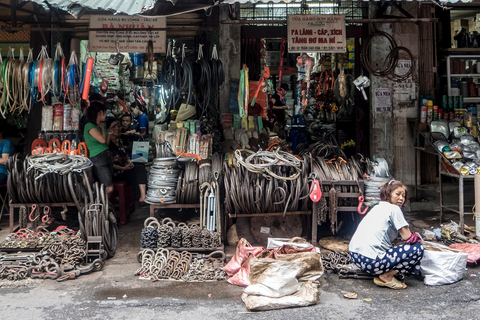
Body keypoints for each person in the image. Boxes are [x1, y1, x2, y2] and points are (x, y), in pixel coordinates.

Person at [348, 180, 424, 290]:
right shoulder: (394, 209)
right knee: (417, 248)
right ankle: (387, 276)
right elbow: (408, 237)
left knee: (397, 247)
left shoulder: (377, 207)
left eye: (403, 196)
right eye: (397, 194)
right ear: (388, 194)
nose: (401, 198)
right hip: (372, 262)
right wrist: (419, 240)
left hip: (355, 257)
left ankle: (382, 270)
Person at [84, 101, 114, 198]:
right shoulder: (89, 126)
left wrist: (108, 134)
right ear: (99, 113)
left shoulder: (102, 125)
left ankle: (105, 208)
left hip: (107, 155)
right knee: (109, 188)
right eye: (104, 113)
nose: (105, 115)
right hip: (98, 158)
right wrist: (103, 130)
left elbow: (106, 143)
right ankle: (101, 207)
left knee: (106, 186)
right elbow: (102, 140)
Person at [106, 117, 139, 200]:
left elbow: (126, 155)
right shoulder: (107, 145)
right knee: (134, 172)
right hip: (116, 172)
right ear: (109, 130)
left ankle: (135, 196)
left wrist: (129, 161)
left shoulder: (119, 141)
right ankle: (133, 197)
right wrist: (123, 168)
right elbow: (109, 164)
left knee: (138, 167)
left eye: (118, 126)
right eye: (114, 126)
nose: (118, 128)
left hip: (124, 168)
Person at [123, 102, 148, 202]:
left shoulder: (142, 118)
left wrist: (132, 133)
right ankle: (140, 195)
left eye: (132, 109)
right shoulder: (141, 118)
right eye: (123, 121)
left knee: (140, 167)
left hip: (138, 149)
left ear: (137, 107)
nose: (132, 111)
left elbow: (143, 133)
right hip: (127, 159)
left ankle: (141, 195)